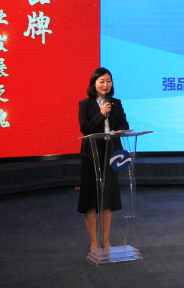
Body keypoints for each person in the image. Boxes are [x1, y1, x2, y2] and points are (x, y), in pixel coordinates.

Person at [77, 67, 129, 252]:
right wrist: (101, 113)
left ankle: (106, 241)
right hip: (91, 156)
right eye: (101, 81)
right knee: (91, 200)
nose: (106, 85)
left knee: (108, 199)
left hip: (111, 154)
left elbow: (124, 125)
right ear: (94, 84)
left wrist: (120, 130)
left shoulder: (116, 103)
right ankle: (93, 240)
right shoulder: (85, 104)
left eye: (109, 81)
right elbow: (85, 128)